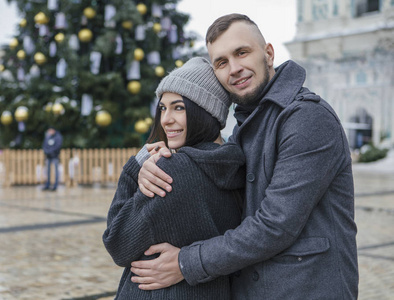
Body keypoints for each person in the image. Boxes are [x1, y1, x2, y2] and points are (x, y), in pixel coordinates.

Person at [131, 14, 359, 299]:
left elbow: (275, 225)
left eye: (242, 52)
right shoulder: (246, 126)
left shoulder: (307, 118)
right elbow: (210, 166)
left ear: (269, 53)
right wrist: (148, 162)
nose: (234, 69)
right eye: (222, 62)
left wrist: (184, 262)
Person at [103, 57, 247, 299]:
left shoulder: (173, 170)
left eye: (178, 107)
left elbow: (117, 243)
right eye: (163, 107)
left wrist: (134, 168)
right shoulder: (236, 166)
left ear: (205, 110)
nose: (166, 119)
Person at [42, 127, 63, 191]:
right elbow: (44, 145)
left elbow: (57, 146)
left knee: (56, 171)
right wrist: (47, 151)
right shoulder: (48, 137)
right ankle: (47, 184)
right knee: (47, 171)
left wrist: (51, 151)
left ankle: (55, 185)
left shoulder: (58, 137)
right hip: (48, 156)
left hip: (55, 156)